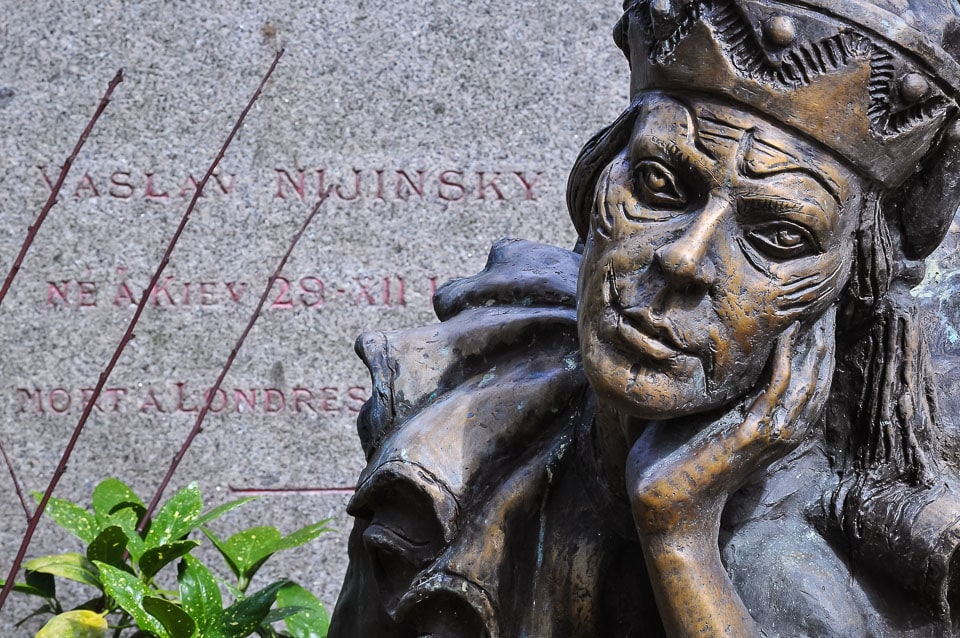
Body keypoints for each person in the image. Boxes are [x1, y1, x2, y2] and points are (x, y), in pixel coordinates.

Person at [329, 1, 960, 636]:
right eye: (659, 184)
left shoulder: (845, 564)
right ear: (602, 175)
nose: (684, 259)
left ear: (847, 291)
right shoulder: (462, 440)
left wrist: (678, 534)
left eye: (777, 236)